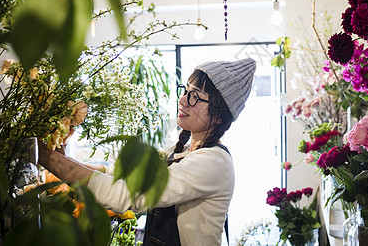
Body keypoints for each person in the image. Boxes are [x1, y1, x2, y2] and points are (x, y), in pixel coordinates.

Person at [38, 57, 256, 246]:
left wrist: (46, 157)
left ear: (219, 116)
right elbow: (119, 174)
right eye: (186, 91)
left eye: (195, 96)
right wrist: (61, 159)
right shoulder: (179, 151)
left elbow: (128, 194)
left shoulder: (213, 162)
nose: (182, 100)